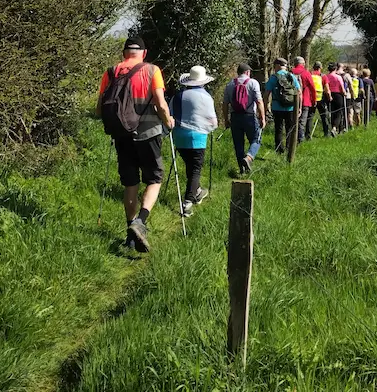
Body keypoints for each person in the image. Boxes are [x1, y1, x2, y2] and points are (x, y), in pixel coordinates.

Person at [96, 36, 175, 253]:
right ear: (144, 53)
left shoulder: (111, 72)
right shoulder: (152, 71)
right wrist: (168, 120)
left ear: (124, 53)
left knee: (130, 183)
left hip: (121, 135)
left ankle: (130, 237)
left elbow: (98, 108)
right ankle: (140, 221)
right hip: (148, 133)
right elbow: (160, 103)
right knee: (155, 178)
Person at [172, 66, 217, 217]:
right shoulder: (205, 97)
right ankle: (187, 203)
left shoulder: (178, 96)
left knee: (190, 167)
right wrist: (211, 128)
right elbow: (212, 120)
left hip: (178, 137)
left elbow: (170, 114)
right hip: (198, 137)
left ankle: (197, 191)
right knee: (195, 169)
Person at [222, 63, 266, 174]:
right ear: (247, 72)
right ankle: (249, 157)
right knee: (256, 139)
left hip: (235, 117)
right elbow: (259, 101)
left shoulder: (230, 84)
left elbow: (225, 104)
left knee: (238, 144)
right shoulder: (253, 83)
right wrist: (262, 117)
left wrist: (226, 119)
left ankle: (242, 170)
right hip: (249, 116)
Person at [264, 58, 301, 155]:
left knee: (278, 128)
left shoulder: (274, 77)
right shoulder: (292, 76)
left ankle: (279, 149)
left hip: (277, 107)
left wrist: (265, 106)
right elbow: (299, 92)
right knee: (289, 128)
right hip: (291, 107)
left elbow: (267, 93)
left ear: (277, 66)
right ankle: (289, 148)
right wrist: (299, 107)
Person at [291, 56, 316, 143]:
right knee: (302, 121)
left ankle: (292, 139)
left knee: (293, 120)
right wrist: (314, 99)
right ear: (303, 64)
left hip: (291, 100)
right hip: (305, 100)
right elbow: (313, 87)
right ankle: (300, 139)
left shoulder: (290, 72)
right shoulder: (306, 73)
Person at [310, 61, 331, 139]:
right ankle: (326, 133)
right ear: (320, 68)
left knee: (310, 117)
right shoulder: (323, 76)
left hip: (311, 98)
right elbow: (327, 89)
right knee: (324, 116)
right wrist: (329, 97)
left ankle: (308, 135)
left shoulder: (310, 75)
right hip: (321, 99)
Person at [325, 63, 346, 134]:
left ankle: (333, 128)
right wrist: (344, 93)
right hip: (338, 95)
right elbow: (342, 88)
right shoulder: (338, 77)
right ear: (335, 69)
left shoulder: (326, 76)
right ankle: (334, 128)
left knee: (332, 112)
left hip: (329, 95)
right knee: (338, 112)